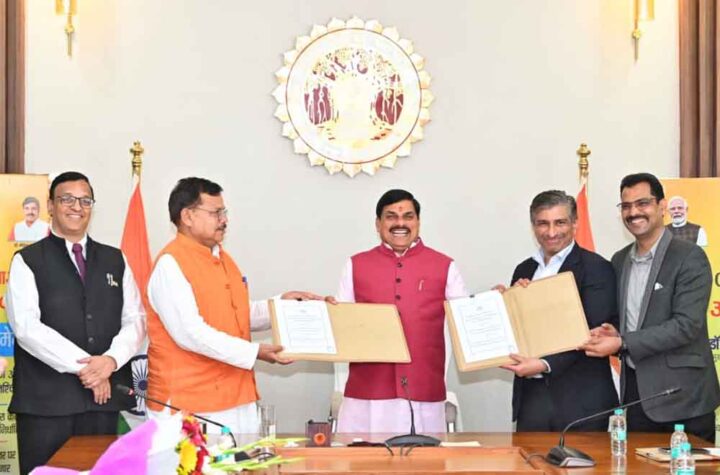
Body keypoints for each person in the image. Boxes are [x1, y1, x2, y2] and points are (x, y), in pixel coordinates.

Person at [146, 177, 329, 433]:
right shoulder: (171, 264)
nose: (224, 220)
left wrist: (281, 307)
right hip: (189, 403)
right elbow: (190, 333)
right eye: (215, 213)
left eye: (224, 212)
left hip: (235, 395)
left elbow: (238, 314)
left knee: (244, 458)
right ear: (187, 216)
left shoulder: (223, 259)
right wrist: (255, 352)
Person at [5, 171, 146, 474]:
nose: (76, 207)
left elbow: (135, 319)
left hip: (103, 404)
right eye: (67, 199)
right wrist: (88, 368)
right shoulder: (27, 260)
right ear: (50, 205)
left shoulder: (115, 259)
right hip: (45, 406)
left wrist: (110, 361)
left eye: (85, 200)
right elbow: (27, 327)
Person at [582, 173, 720, 442]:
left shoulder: (689, 256)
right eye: (626, 206)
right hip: (637, 396)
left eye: (642, 203)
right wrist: (614, 332)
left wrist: (623, 342)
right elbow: (630, 319)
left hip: (684, 398)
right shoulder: (619, 260)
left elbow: (686, 325)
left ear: (662, 206)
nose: (633, 212)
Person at [335, 189, 468, 433]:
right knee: (363, 455)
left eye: (408, 216)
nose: (400, 223)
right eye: (391, 217)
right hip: (369, 390)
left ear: (418, 222)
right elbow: (341, 324)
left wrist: (497, 302)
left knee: (423, 456)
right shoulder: (355, 264)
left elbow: (467, 319)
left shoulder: (445, 265)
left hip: (423, 389)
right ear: (378, 224)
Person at [494, 190, 618, 431]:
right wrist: (500, 305)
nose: (551, 232)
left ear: (575, 223)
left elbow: (591, 332)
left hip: (581, 403)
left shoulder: (597, 268)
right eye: (543, 223)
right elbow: (519, 331)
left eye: (560, 222)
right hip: (531, 400)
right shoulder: (524, 270)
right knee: (529, 457)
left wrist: (543, 364)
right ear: (533, 226)